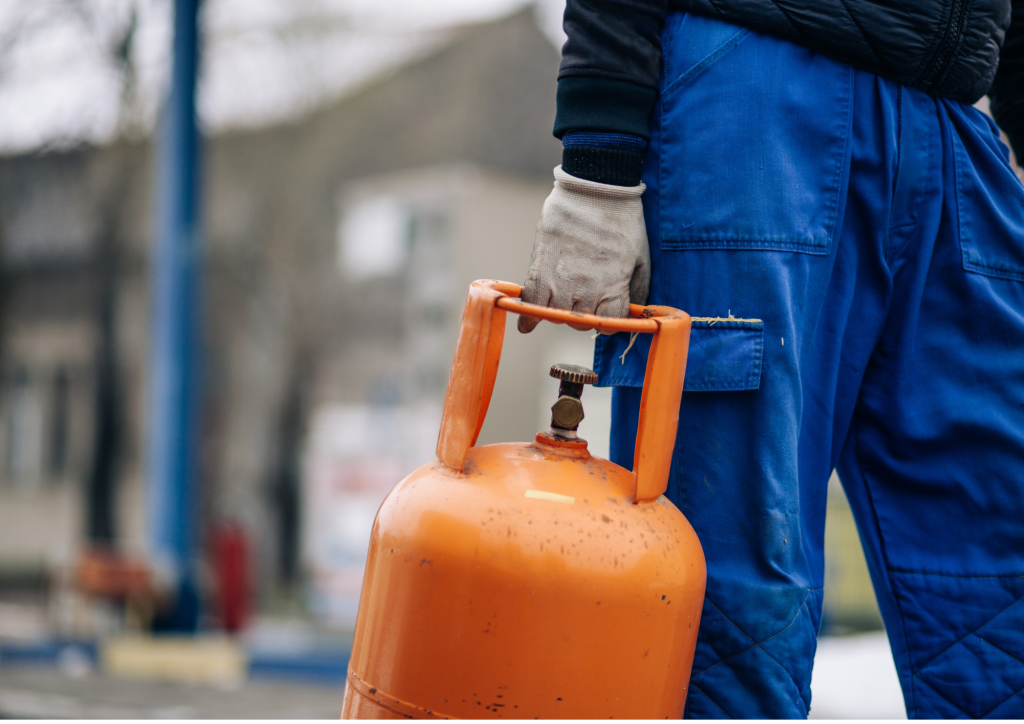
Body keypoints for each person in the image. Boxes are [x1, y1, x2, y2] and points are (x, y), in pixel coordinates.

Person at [518, 0, 1024, 717]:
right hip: (756, 101)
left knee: (1003, 596)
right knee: (730, 607)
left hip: (956, 128)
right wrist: (598, 166)